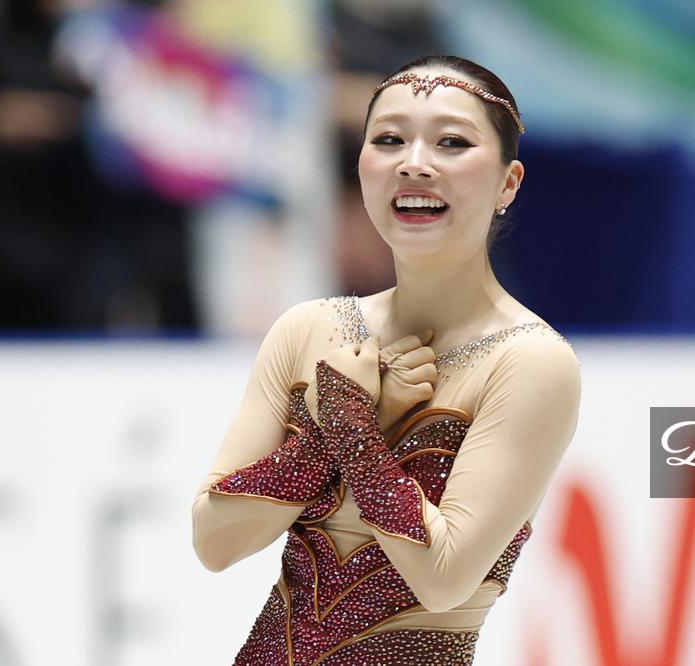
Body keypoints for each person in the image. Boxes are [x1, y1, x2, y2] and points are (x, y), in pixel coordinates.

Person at [191, 54, 581, 665]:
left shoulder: (529, 361)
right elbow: (214, 542)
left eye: (452, 142)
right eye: (389, 139)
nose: (414, 163)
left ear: (508, 183)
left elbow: (443, 577)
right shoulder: (308, 330)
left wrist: (352, 424)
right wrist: (335, 430)